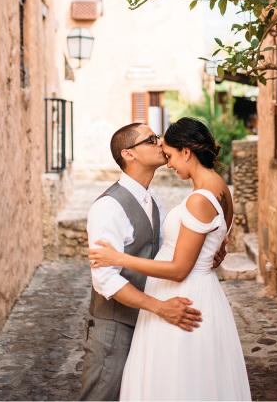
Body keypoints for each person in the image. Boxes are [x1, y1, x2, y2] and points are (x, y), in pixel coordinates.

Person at [89, 117, 252, 401]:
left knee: (175, 385)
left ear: (186, 152)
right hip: (124, 318)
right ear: (128, 154)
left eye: (164, 144)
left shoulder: (165, 202)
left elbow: (180, 261)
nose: (162, 148)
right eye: (152, 140)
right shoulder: (108, 207)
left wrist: (210, 251)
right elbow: (104, 278)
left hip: (178, 303)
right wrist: (158, 305)